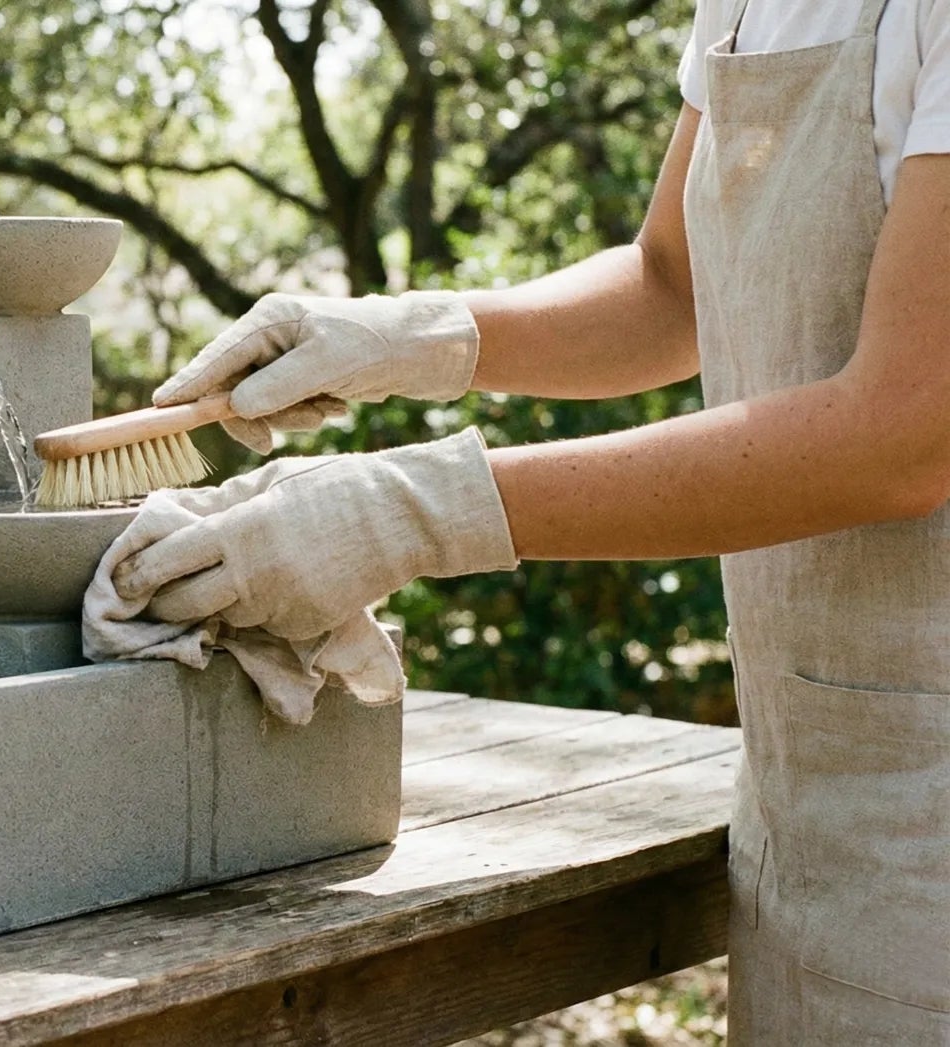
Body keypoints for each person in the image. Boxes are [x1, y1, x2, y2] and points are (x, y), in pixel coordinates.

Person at [110, 0, 950, 1039]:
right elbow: (671, 283)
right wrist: (409, 335)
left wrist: (416, 509)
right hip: (803, 809)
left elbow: (906, 433)